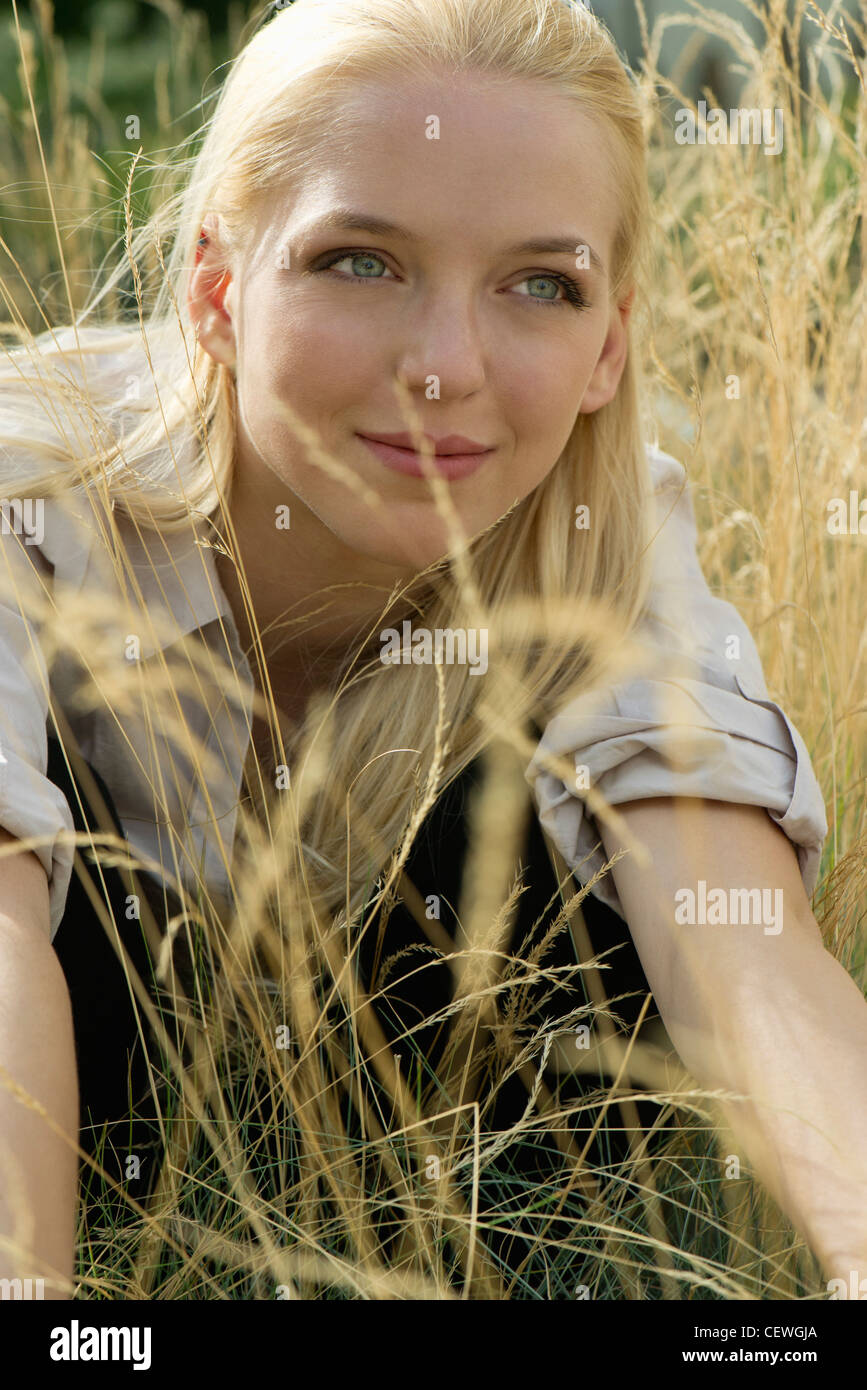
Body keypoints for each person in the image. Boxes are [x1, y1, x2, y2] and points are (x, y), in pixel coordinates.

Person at [0, 0, 864, 1300]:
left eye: (540, 286)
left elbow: (739, 930)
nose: (445, 368)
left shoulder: (596, 534)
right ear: (218, 285)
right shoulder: (35, 492)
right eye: (362, 261)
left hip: (429, 1150)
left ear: (608, 347)